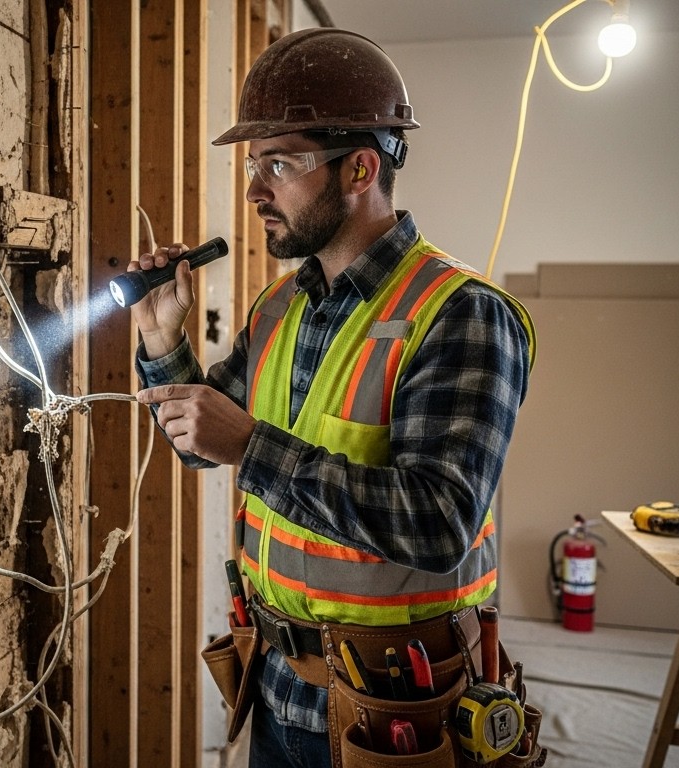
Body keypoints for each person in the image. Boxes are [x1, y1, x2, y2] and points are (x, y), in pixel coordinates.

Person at [130, 27, 538, 768]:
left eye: (279, 164)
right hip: (275, 684)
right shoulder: (281, 306)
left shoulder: (460, 314)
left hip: (394, 705)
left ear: (359, 168)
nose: (255, 191)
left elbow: (438, 522)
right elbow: (199, 446)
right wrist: (163, 342)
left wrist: (250, 446)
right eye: (253, 166)